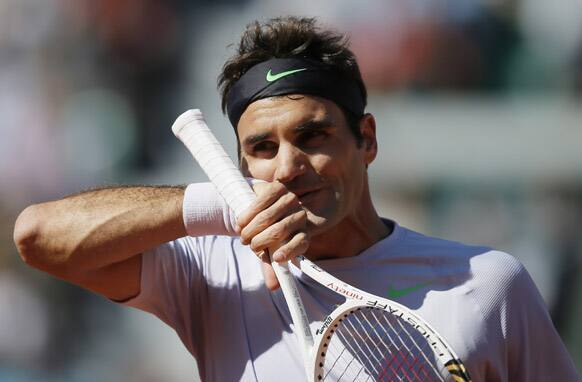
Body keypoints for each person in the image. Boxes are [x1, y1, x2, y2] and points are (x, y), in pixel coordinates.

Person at [13, 16, 579, 382]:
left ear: (367, 140)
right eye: (262, 148)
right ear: (242, 168)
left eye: (312, 136)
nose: (287, 166)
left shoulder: (490, 284)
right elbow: (37, 237)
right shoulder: (212, 270)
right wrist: (220, 205)